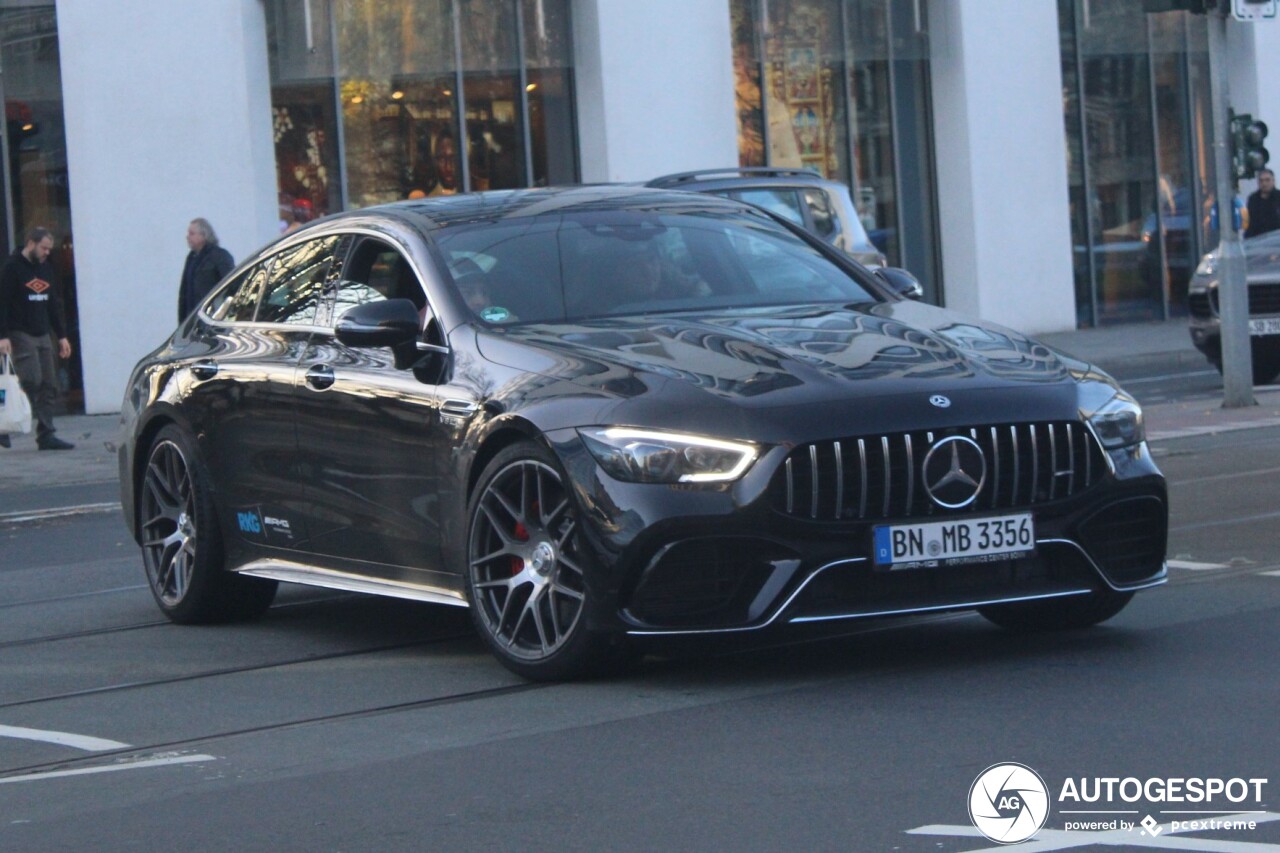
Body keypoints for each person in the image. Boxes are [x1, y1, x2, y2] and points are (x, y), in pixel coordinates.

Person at [0, 227, 74, 450]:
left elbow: (53, 304)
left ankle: (46, 432)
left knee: (49, 383)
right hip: (20, 331)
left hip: (42, 333)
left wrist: (61, 335)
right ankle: (5, 423)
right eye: (43, 248)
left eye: (49, 249)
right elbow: (2, 303)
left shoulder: (45, 269)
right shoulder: (12, 269)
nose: (46, 253)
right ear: (31, 243)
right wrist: (3, 335)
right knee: (30, 379)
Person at [177, 218, 234, 321]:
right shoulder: (191, 258)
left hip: (212, 320)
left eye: (192, 233)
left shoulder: (219, 256)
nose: (187, 237)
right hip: (192, 322)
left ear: (204, 235)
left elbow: (231, 286)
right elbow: (184, 293)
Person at [1245, 168, 1280, 238]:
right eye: (1261, 181)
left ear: (1273, 181)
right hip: (1258, 240)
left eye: (1267, 180)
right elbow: (1251, 222)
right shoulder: (1253, 199)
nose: (1264, 183)